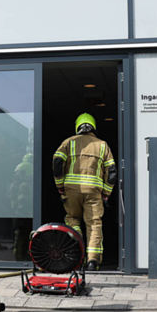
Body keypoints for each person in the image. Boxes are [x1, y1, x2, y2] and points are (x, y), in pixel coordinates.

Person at [53, 113, 117, 271]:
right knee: (94, 223)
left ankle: (77, 256)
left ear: (77, 126)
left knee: (73, 220)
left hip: (71, 191)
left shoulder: (68, 142)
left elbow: (57, 162)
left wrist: (60, 186)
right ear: (93, 127)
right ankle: (92, 261)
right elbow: (112, 171)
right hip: (94, 192)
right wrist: (106, 193)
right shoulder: (102, 145)